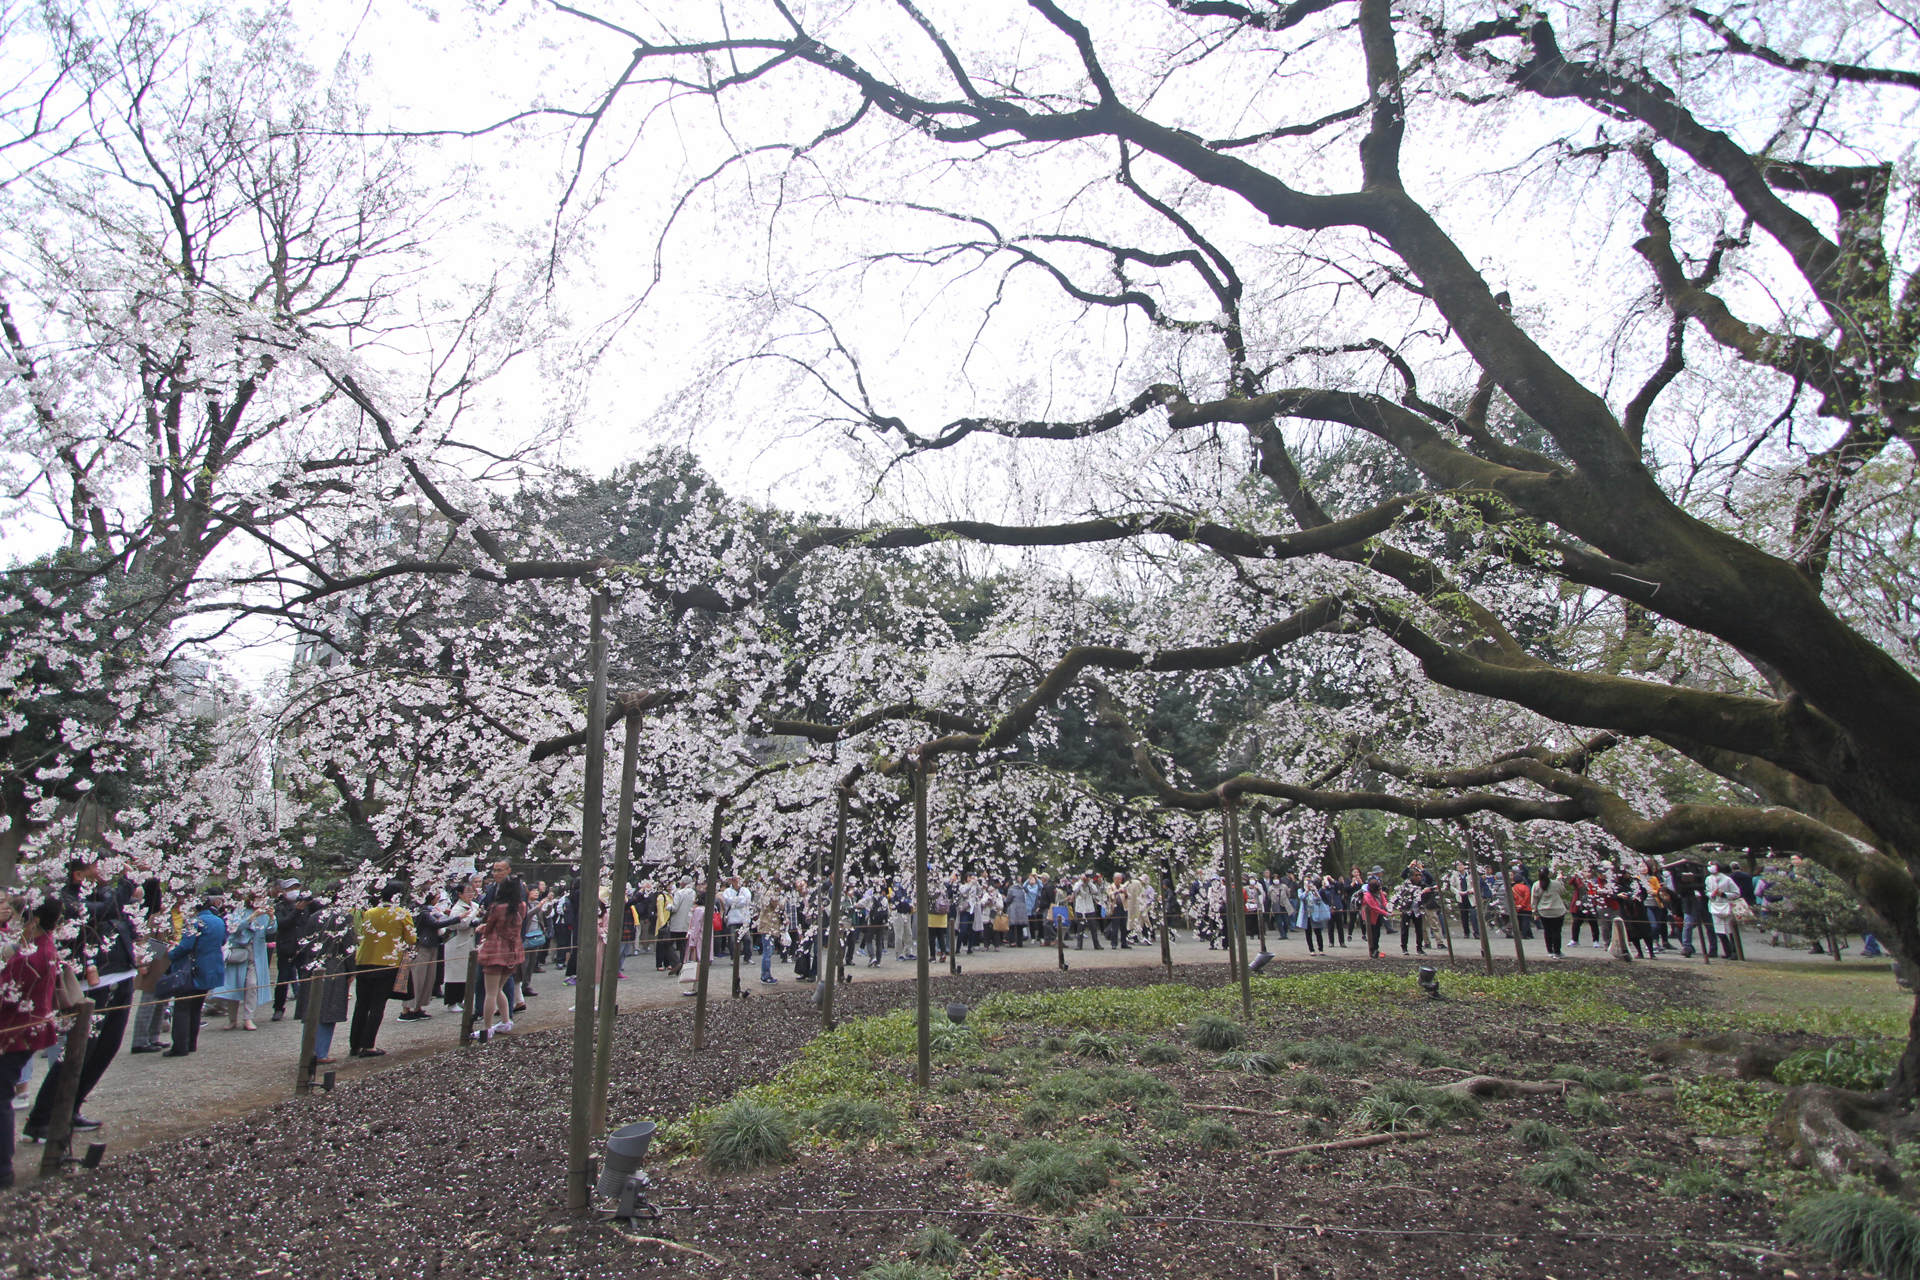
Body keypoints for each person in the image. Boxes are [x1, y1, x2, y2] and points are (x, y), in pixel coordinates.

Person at [0, 899, 63, 1188]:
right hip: (27, 1029)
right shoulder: (44, 948)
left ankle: (2, 1168)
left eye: (19, 919)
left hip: (15, 1031)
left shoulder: (31, 956)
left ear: (34, 920)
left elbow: (5, 994)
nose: (15, 925)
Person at [350, 881, 415, 1058]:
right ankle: (368, 1045)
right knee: (378, 1004)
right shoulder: (402, 914)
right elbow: (411, 939)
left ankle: (354, 1044)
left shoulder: (369, 913)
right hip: (387, 963)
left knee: (361, 1004)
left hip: (364, 960)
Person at [162, 892, 229, 1057]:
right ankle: (191, 1043)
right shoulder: (219, 920)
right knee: (197, 1008)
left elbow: (186, 945)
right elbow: (223, 941)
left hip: (192, 968)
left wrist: (171, 953)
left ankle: (180, 1046)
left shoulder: (194, 921)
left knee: (182, 1007)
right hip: (210, 967)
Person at [474, 875, 526, 1036]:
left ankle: (487, 1028)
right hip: (512, 950)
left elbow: (489, 927)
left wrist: (482, 929)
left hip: (496, 949)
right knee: (499, 988)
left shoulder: (498, 907)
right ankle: (505, 1021)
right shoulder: (521, 906)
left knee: (490, 991)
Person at [216, 892, 271, 1031]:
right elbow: (235, 928)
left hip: (256, 953)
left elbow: (272, 930)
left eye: (262, 899)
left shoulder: (265, 912)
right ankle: (232, 1019)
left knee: (252, 984)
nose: (260, 901)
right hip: (239, 951)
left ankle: (248, 1018)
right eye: (257, 899)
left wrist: (271, 917)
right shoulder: (240, 910)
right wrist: (252, 917)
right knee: (235, 985)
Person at [439, 877, 481, 1008]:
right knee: (454, 975)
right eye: (467, 892)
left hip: (469, 943)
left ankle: (462, 999)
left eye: (472, 892)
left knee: (466, 974)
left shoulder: (474, 905)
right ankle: (452, 1002)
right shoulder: (457, 909)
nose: (470, 895)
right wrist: (474, 914)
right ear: (460, 894)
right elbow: (461, 925)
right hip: (457, 944)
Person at [269, 880, 306, 1021]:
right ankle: (278, 1008)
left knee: (305, 978)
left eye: (297, 888)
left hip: (302, 947)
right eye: (291, 888)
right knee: (283, 979)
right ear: (283, 891)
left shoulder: (306, 905)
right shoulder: (278, 907)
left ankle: (305, 1007)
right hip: (286, 947)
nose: (294, 891)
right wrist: (297, 911)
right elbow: (281, 924)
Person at [1705, 861, 1742, 960]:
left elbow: (1736, 893)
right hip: (1714, 905)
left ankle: (1735, 951)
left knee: (1730, 930)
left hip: (1726, 905)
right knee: (1719, 931)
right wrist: (1711, 894)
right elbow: (1707, 891)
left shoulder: (1727, 879)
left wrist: (1723, 894)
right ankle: (1727, 951)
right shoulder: (1708, 879)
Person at [1533, 868, 1569, 958]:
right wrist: (1559, 880)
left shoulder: (1536, 885)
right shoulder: (1555, 884)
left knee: (1547, 931)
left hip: (1543, 911)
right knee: (1556, 931)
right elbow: (1563, 891)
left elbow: (1534, 899)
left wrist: (1534, 911)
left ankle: (1550, 951)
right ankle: (1557, 952)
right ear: (1548, 873)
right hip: (1557, 910)